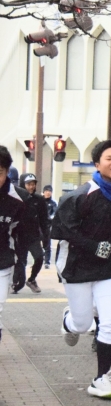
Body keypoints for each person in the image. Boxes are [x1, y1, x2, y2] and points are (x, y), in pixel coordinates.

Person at [52, 140, 111, 398]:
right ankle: (69, 321)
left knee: (110, 321)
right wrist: (94, 247)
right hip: (77, 268)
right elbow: (64, 232)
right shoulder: (79, 196)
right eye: (109, 158)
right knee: (83, 324)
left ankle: (101, 379)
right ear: (97, 164)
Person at [0, 147, 26, 344]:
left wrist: (21, 266)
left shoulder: (18, 199)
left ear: (7, 172)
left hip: (2, 261)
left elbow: (23, 235)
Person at [14, 174, 48, 294]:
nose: (31, 187)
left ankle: (32, 279)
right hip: (19, 237)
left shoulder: (39, 199)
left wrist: (46, 237)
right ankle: (16, 283)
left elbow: (44, 220)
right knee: (20, 262)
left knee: (39, 257)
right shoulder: (16, 198)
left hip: (33, 236)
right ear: (22, 185)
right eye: (28, 184)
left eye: (33, 184)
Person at [42, 185, 57, 269]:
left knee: (47, 244)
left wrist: (50, 218)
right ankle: (38, 259)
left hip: (47, 226)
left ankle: (47, 262)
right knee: (35, 244)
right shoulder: (39, 201)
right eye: (46, 191)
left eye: (49, 191)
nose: (48, 193)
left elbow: (55, 213)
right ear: (43, 192)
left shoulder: (53, 203)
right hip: (38, 226)